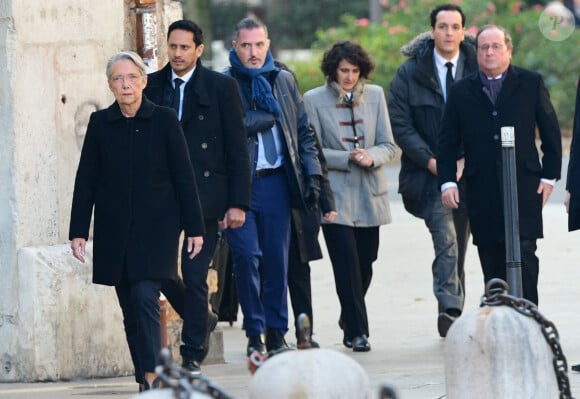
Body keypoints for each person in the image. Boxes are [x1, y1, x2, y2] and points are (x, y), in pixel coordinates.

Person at [69, 51, 205, 391]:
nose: (125, 84)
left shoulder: (164, 119)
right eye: (118, 78)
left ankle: (152, 377)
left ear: (144, 81)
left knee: (145, 295)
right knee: (131, 306)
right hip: (116, 232)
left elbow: (184, 177)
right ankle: (147, 373)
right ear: (110, 85)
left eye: (132, 78)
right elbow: (86, 179)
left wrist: (195, 227)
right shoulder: (101, 124)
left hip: (157, 228)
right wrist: (78, 231)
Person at [144, 19, 251, 375]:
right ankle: (200, 316)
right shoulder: (153, 85)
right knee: (157, 270)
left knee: (193, 274)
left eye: (184, 47)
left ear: (199, 50)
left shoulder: (221, 88)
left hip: (205, 198)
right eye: (172, 47)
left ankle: (192, 353)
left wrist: (238, 203)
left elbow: (237, 148)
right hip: (161, 196)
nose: (177, 54)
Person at [438, 25, 562, 305]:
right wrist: (447, 181)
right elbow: (446, 143)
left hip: (525, 187)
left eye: (496, 46)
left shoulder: (530, 83)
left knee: (525, 253)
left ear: (508, 50)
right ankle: (498, 321)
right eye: (484, 48)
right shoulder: (460, 92)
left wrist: (549, 177)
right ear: (477, 52)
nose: (490, 52)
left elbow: (551, 134)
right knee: (492, 258)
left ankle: (530, 319)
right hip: (482, 189)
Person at [224, 17, 323, 357]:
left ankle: (276, 334)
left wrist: (312, 177)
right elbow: (230, 130)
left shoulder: (284, 80)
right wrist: (263, 118)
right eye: (246, 45)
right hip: (241, 188)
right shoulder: (223, 84)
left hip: (279, 183)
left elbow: (303, 132)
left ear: (268, 44)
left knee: (279, 264)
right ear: (234, 47)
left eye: (259, 45)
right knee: (247, 258)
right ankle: (254, 332)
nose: (253, 52)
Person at [388, 3, 476, 338]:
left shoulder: (476, 67)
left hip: (472, 173)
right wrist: (432, 161)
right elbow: (401, 123)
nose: (449, 33)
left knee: (460, 245)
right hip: (428, 174)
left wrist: (464, 160)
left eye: (455, 27)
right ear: (432, 30)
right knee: (447, 238)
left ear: (463, 31)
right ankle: (451, 310)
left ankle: (454, 303)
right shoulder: (409, 73)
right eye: (442, 26)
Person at [303, 40, 397, 352]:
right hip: (335, 199)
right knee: (346, 267)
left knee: (367, 262)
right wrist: (346, 158)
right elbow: (311, 151)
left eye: (355, 71)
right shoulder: (313, 100)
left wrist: (371, 156)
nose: (349, 77)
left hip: (371, 194)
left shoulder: (375, 95)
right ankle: (358, 332)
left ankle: (349, 316)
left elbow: (390, 144)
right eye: (344, 70)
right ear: (332, 70)